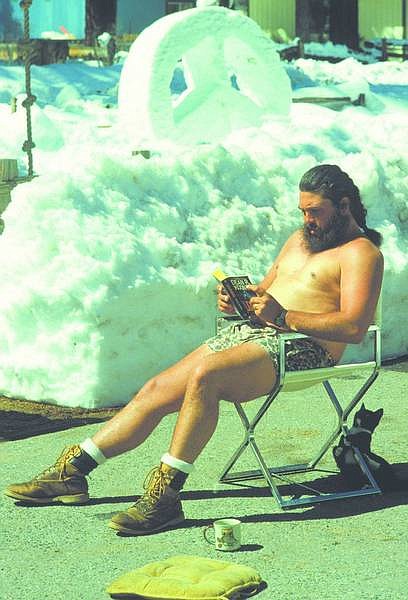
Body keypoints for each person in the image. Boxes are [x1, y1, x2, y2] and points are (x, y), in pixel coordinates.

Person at [5, 164, 384, 536]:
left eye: (315, 211)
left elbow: (353, 326)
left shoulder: (361, 254)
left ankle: (166, 495)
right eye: (302, 211)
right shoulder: (299, 240)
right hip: (255, 335)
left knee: (207, 376)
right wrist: (240, 301)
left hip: (305, 349)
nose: (307, 220)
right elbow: (266, 292)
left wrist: (283, 315)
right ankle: (73, 472)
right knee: (156, 389)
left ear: (344, 205)